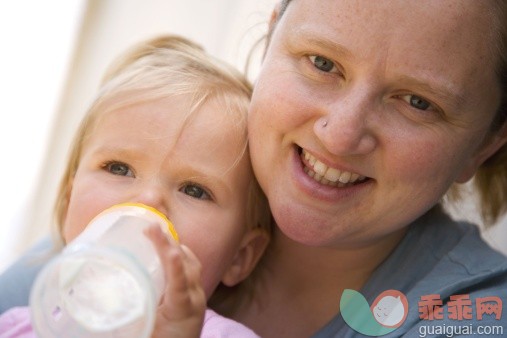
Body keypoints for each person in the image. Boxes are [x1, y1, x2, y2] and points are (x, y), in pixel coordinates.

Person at [208, 0, 507, 337]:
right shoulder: (145, 184)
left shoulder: (480, 319)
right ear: (269, 40)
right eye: (322, 63)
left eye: (417, 102)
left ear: (485, 145)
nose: (340, 137)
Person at [0, 35, 270, 337]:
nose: (148, 199)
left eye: (194, 190)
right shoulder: (16, 327)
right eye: (119, 168)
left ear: (239, 256)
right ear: (67, 203)